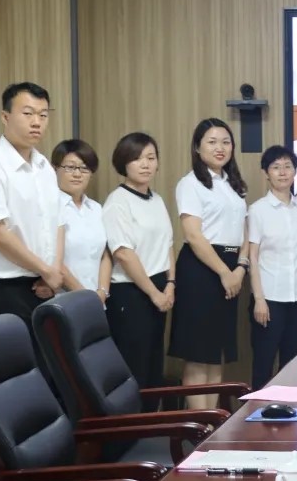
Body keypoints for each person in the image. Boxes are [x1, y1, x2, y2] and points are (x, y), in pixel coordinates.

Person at [0, 82, 63, 327]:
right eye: (28, 113)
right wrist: (46, 271)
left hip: (40, 284)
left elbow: (58, 222)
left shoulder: (44, 167)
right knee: (3, 354)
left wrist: (52, 271)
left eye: (43, 115)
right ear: (5, 117)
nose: (36, 122)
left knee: (40, 352)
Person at [169, 118, 249, 410]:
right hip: (201, 270)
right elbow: (193, 235)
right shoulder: (190, 184)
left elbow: (245, 231)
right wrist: (225, 272)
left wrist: (240, 267)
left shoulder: (234, 184)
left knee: (217, 354)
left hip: (231, 266)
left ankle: (212, 422)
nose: (220, 148)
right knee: (198, 354)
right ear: (197, 147)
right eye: (212, 142)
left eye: (226, 142)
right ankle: (198, 425)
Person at [102, 132, 174, 411]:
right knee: (135, 368)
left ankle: (152, 427)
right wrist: (155, 293)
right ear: (124, 163)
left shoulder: (156, 199)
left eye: (151, 158)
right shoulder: (117, 201)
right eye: (137, 158)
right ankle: (133, 430)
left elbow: (168, 244)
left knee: (154, 366)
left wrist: (171, 283)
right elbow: (123, 253)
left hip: (159, 286)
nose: (145, 164)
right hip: (131, 292)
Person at [248, 145, 297, 389]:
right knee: (264, 362)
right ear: (266, 173)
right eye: (276, 167)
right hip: (270, 299)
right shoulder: (257, 210)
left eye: (288, 166)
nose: (283, 172)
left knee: (294, 362)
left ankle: (289, 410)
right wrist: (259, 299)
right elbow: (252, 257)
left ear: (295, 171)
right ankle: (259, 409)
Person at [52, 139, 111, 302]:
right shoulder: (49, 208)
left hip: (97, 301)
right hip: (61, 300)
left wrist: (102, 292)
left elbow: (105, 254)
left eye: (84, 168)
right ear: (55, 168)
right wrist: (86, 297)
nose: (77, 174)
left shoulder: (96, 209)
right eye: (70, 167)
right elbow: (51, 259)